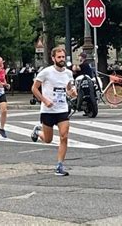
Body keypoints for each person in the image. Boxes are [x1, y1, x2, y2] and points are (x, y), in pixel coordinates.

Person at [30, 47, 77, 176]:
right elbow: (34, 88)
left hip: (62, 109)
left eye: (63, 57)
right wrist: (44, 101)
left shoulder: (68, 73)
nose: (61, 59)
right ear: (53, 58)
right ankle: (38, 132)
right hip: (48, 110)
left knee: (64, 136)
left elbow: (69, 89)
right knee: (48, 140)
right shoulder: (46, 72)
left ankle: (60, 166)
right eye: (59, 57)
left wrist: (72, 92)